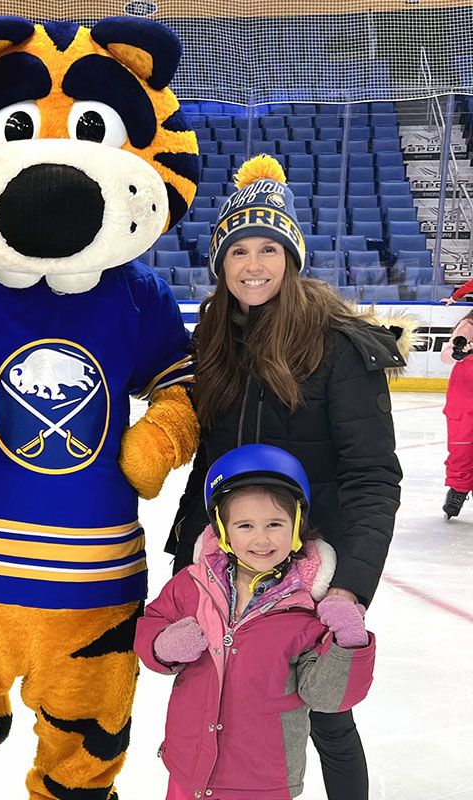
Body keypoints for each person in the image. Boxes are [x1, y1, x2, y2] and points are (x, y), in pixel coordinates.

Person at [165, 155, 404, 800]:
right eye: (238, 249)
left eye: (268, 247)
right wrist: (186, 558)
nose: (253, 264)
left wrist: (350, 587)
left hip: (313, 567)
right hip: (232, 561)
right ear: (220, 262)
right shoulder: (216, 341)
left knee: (326, 712)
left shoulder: (337, 346)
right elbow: (209, 466)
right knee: (228, 702)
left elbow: (373, 476)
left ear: (292, 256)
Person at [138, 444, 376, 800]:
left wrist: (349, 643)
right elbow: (152, 621)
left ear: (297, 526)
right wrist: (161, 645)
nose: (261, 539)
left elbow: (327, 696)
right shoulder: (192, 584)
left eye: (275, 524)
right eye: (245, 525)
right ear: (223, 530)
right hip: (189, 769)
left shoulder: (307, 610)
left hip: (261, 782)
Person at [441, 309, 473, 518]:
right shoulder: (468, 327)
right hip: (465, 397)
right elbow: (446, 355)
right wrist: (458, 352)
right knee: (462, 446)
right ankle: (458, 490)